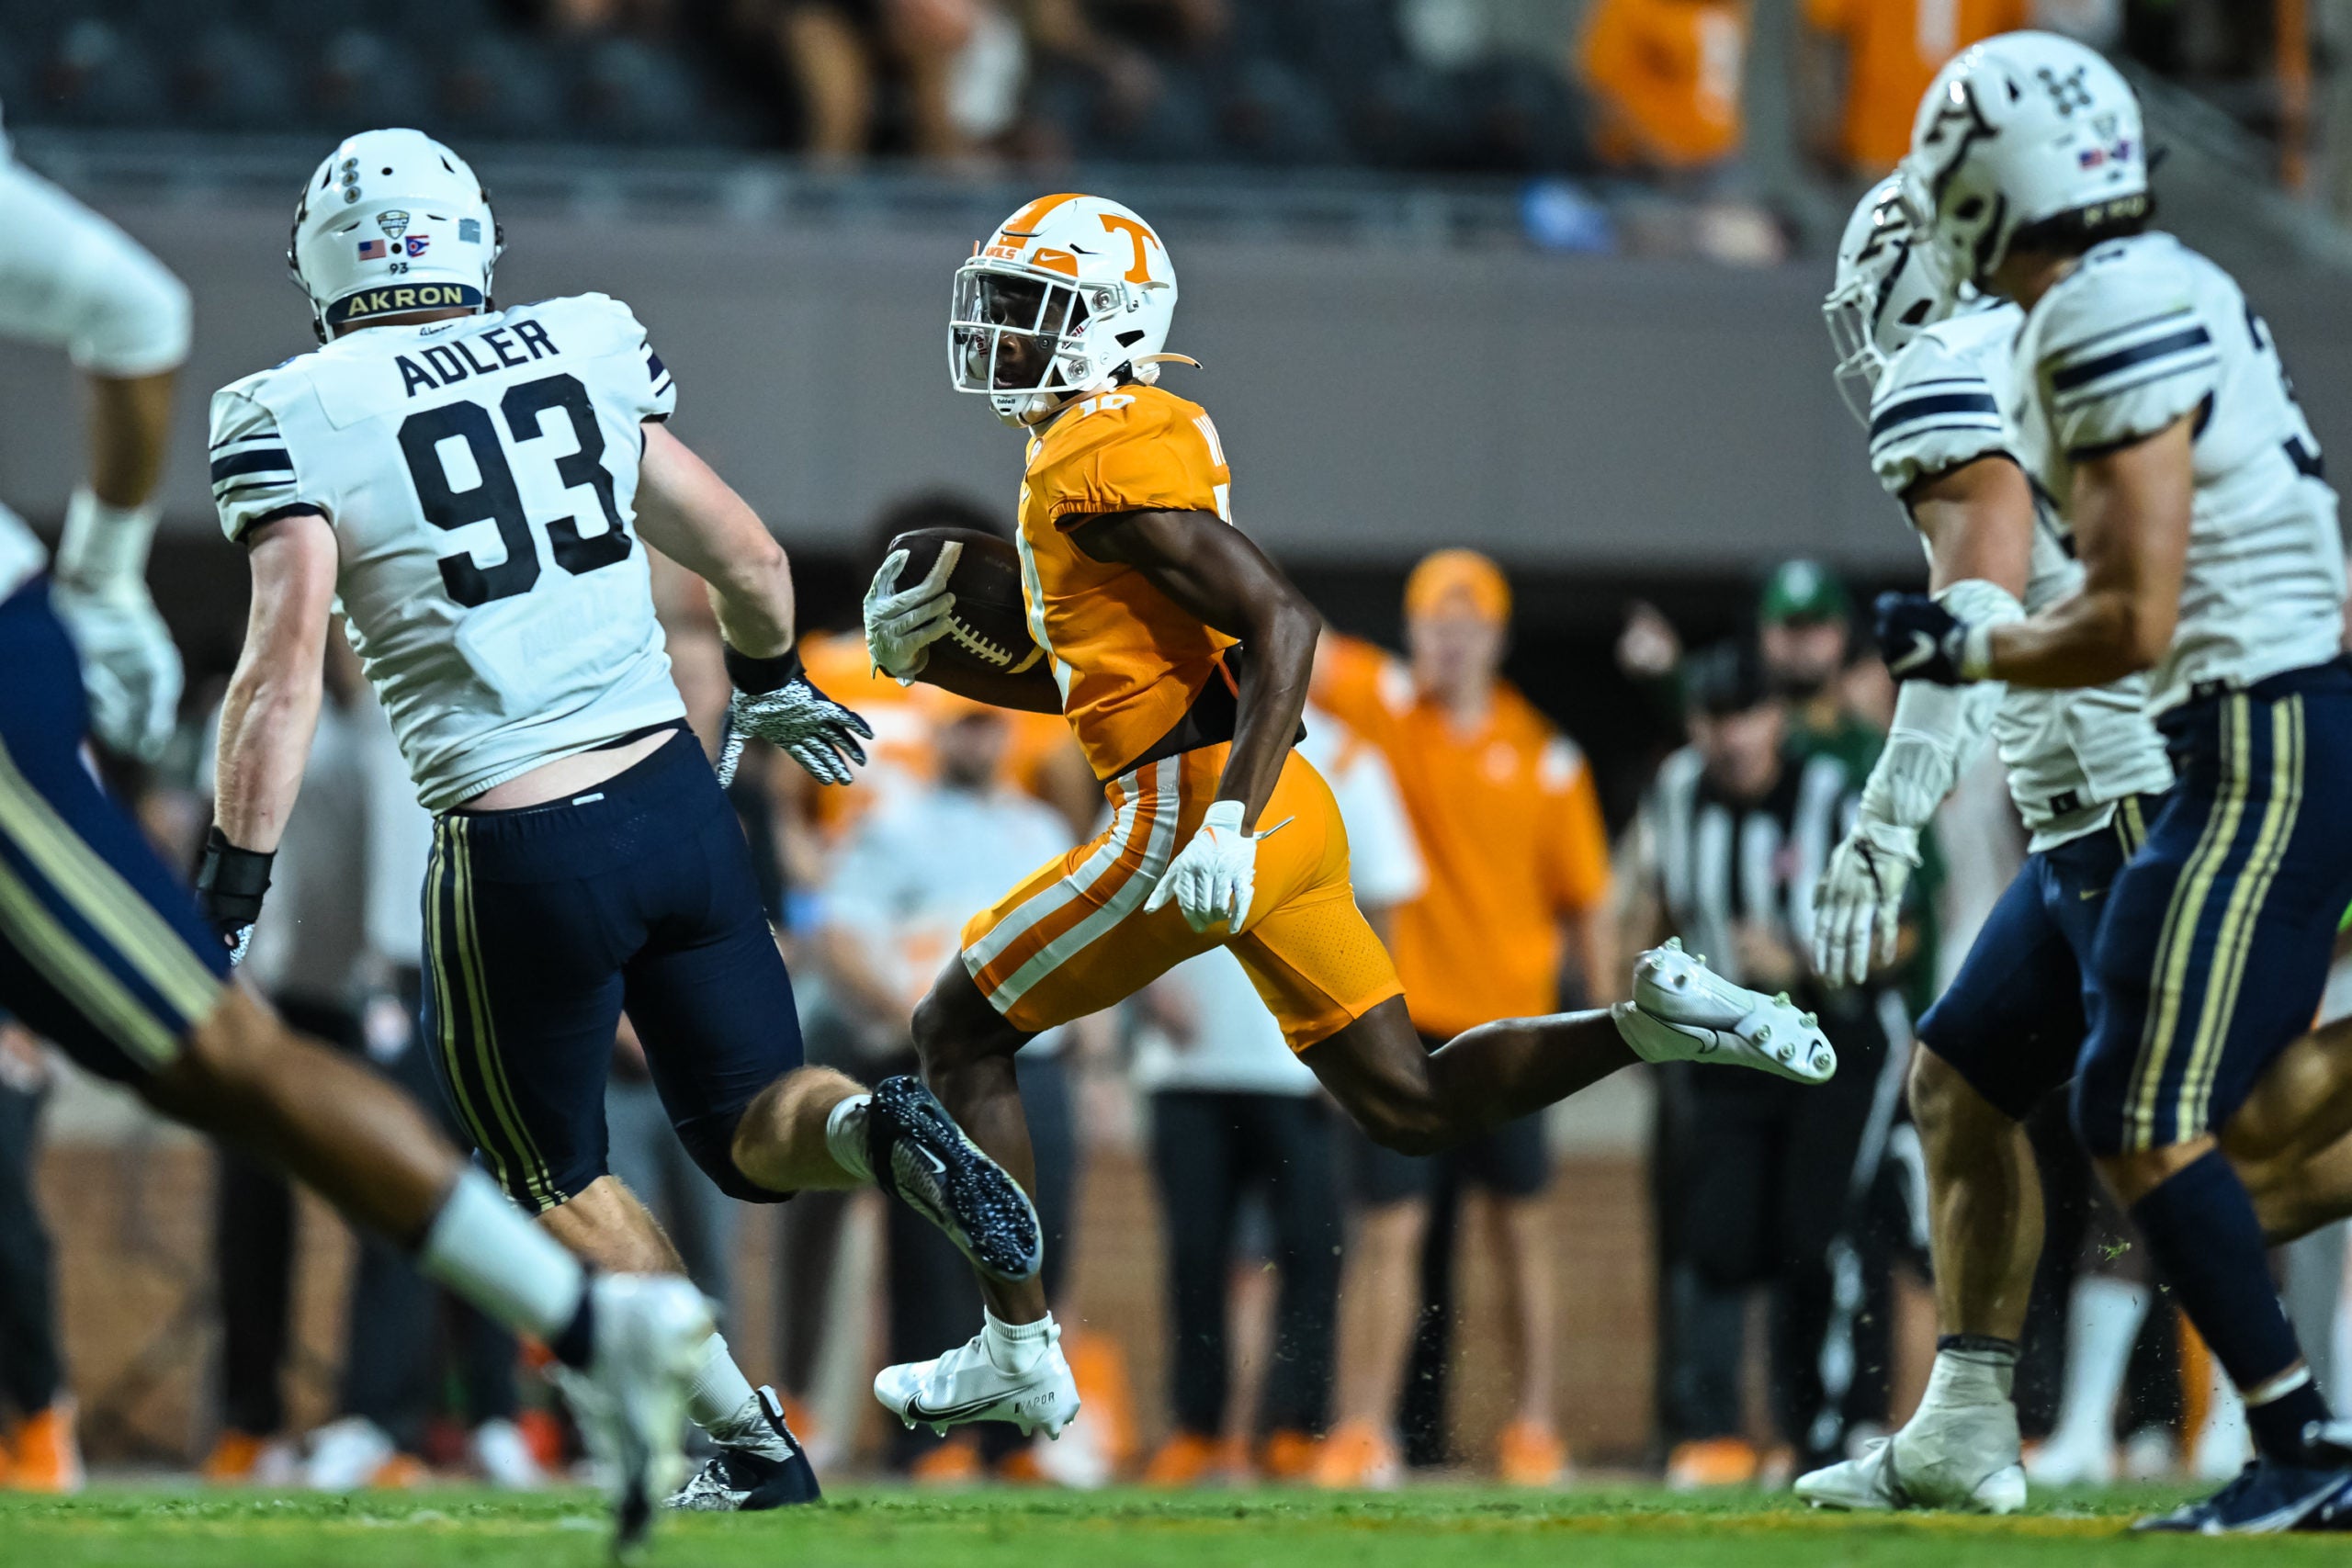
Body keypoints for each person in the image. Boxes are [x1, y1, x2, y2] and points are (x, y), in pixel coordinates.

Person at [861, 190, 1837, 1439]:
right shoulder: (1110, 444)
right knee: (1410, 1103)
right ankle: (1646, 1024)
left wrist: (1219, 825)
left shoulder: (1090, 458)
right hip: (1281, 803)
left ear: (1111, 325)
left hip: (1202, 803)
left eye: (1030, 310)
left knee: (956, 1029)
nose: (999, 334)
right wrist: (970, 665)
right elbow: (1113, 670)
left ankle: (1018, 1345)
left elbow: (1286, 625)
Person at [199, 128, 1038, 1514]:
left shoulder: (296, 406)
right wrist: (768, 687)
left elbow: (279, 679)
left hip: (518, 835)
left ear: (324, 255)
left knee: (544, 1169)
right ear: (470, 238)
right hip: (674, 798)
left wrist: (227, 891)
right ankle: (883, 1131)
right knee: (763, 1119)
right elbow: (751, 558)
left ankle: (751, 1443)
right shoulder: (578, 342)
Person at [1875, 34, 2352, 1531]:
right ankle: (2298, 1440)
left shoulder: (2096, 317)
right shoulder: (2161, 285)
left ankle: (2301, 1444)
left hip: (2262, 723)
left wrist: (1974, 656)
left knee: (2160, 1115)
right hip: (2261, 717)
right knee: (2143, 1108)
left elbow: (2134, 617)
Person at [1793, 173, 2175, 1515]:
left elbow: (1972, 612)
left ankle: (2302, 1428)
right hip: (2084, 814)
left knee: (2207, 1133)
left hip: (2142, 796)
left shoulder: (1954, 365)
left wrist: (1883, 820)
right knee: (1958, 1082)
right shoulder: (2055, 350)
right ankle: (1965, 1416)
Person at [1309, 557, 1613, 1488]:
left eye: (1465, 625)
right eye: (1431, 625)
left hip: (1511, 1030)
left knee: (1519, 1230)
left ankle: (1535, 1428)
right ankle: (1362, 1429)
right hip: (1407, 1024)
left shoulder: (1545, 755)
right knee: (1388, 1227)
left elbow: (1586, 903)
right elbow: (1291, 634)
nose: (1446, 642)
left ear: (1497, 636)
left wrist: (1604, 1027)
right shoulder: (1385, 707)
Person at [1620, 641, 1905, 1480]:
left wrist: (1804, 963)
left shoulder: (1832, 796)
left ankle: (1833, 1427)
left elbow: (1901, 931)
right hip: (1728, 1048)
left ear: (1776, 719)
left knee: (1818, 1233)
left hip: (1832, 1040)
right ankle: (1718, 1428)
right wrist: (1634, 1008)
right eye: (1713, 717)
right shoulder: (1675, 792)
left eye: (1745, 714)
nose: (1731, 735)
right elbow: (1652, 903)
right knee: (1719, 1233)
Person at [1133, 682, 1423, 1487]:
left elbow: (1384, 902)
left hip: (1300, 1060)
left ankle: (1296, 1425)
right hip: (1188, 1066)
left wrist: (1360, 1035)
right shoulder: (1169, 737)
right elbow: (1113, 866)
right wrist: (1145, 986)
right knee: (1195, 1252)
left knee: (1311, 1251)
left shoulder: (1349, 755)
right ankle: (1196, 1425)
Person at [812, 690, 1084, 1483]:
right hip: (930, 1057)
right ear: (942, 733)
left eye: (990, 724)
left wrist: (1093, 1045)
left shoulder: (1039, 829)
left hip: (1034, 1058)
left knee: (1038, 1238)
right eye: (965, 724)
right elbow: (842, 931)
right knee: (932, 1248)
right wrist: (917, 1017)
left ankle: (1016, 1441)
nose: (980, 739)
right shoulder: (893, 824)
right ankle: (928, 1438)